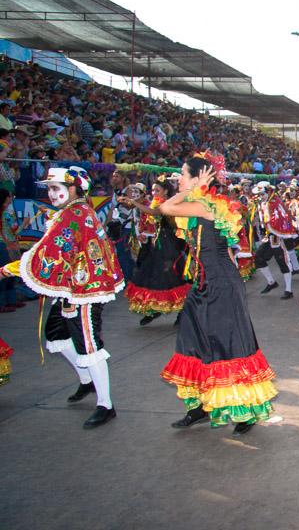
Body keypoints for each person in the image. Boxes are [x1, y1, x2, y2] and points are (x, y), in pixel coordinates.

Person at [158, 153, 277, 436]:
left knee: (229, 345)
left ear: (200, 178)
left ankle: (245, 411)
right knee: (194, 343)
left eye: (183, 175)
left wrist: (190, 189)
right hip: (203, 282)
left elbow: (164, 208)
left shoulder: (204, 204)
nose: (179, 179)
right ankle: (202, 404)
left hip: (221, 283)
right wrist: (190, 188)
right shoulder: (200, 202)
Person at [1, 166, 124, 429]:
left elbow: (46, 252)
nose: (51, 193)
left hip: (85, 290)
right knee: (56, 334)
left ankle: (106, 404)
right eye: (49, 189)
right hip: (74, 287)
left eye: (56, 188)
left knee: (89, 345)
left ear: (74, 189)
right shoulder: (76, 212)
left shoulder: (72, 216)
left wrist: (5, 269)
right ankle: (86, 381)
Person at [121, 178, 191, 326]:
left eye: (157, 190)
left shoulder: (170, 203)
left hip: (170, 245)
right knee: (153, 277)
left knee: (172, 278)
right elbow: (151, 218)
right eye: (152, 190)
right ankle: (154, 309)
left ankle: (182, 311)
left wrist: (134, 202)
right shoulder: (158, 202)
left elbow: (153, 212)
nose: (154, 193)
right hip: (158, 244)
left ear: (165, 191)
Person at [252, 182, 297, 299]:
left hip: (278, 236)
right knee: (258, 258)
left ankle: (289, 290)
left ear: (268, 191)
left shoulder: (275, 203)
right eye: (260, 194)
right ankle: (271, 282)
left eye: (262, 194)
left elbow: (283, 218)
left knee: (282, 262)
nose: (260, 197)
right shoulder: (266, 203)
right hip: (270, 235)